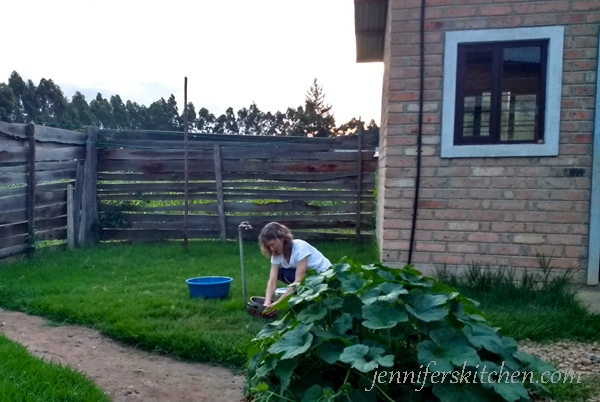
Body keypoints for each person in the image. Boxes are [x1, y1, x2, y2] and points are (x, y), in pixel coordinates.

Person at [259, 222, 331, 310]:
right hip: (309, 276)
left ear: (282, 238)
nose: (272, 249)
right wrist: (267, 302)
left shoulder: (300, 247)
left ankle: (310, 296)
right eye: (268, 246)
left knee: (293, 278)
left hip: (324, 276)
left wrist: (278, 304)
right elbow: (272, 280)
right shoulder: (276, 253)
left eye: (273, 244)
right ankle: (300, 295)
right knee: (281, 273)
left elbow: (298, 280)